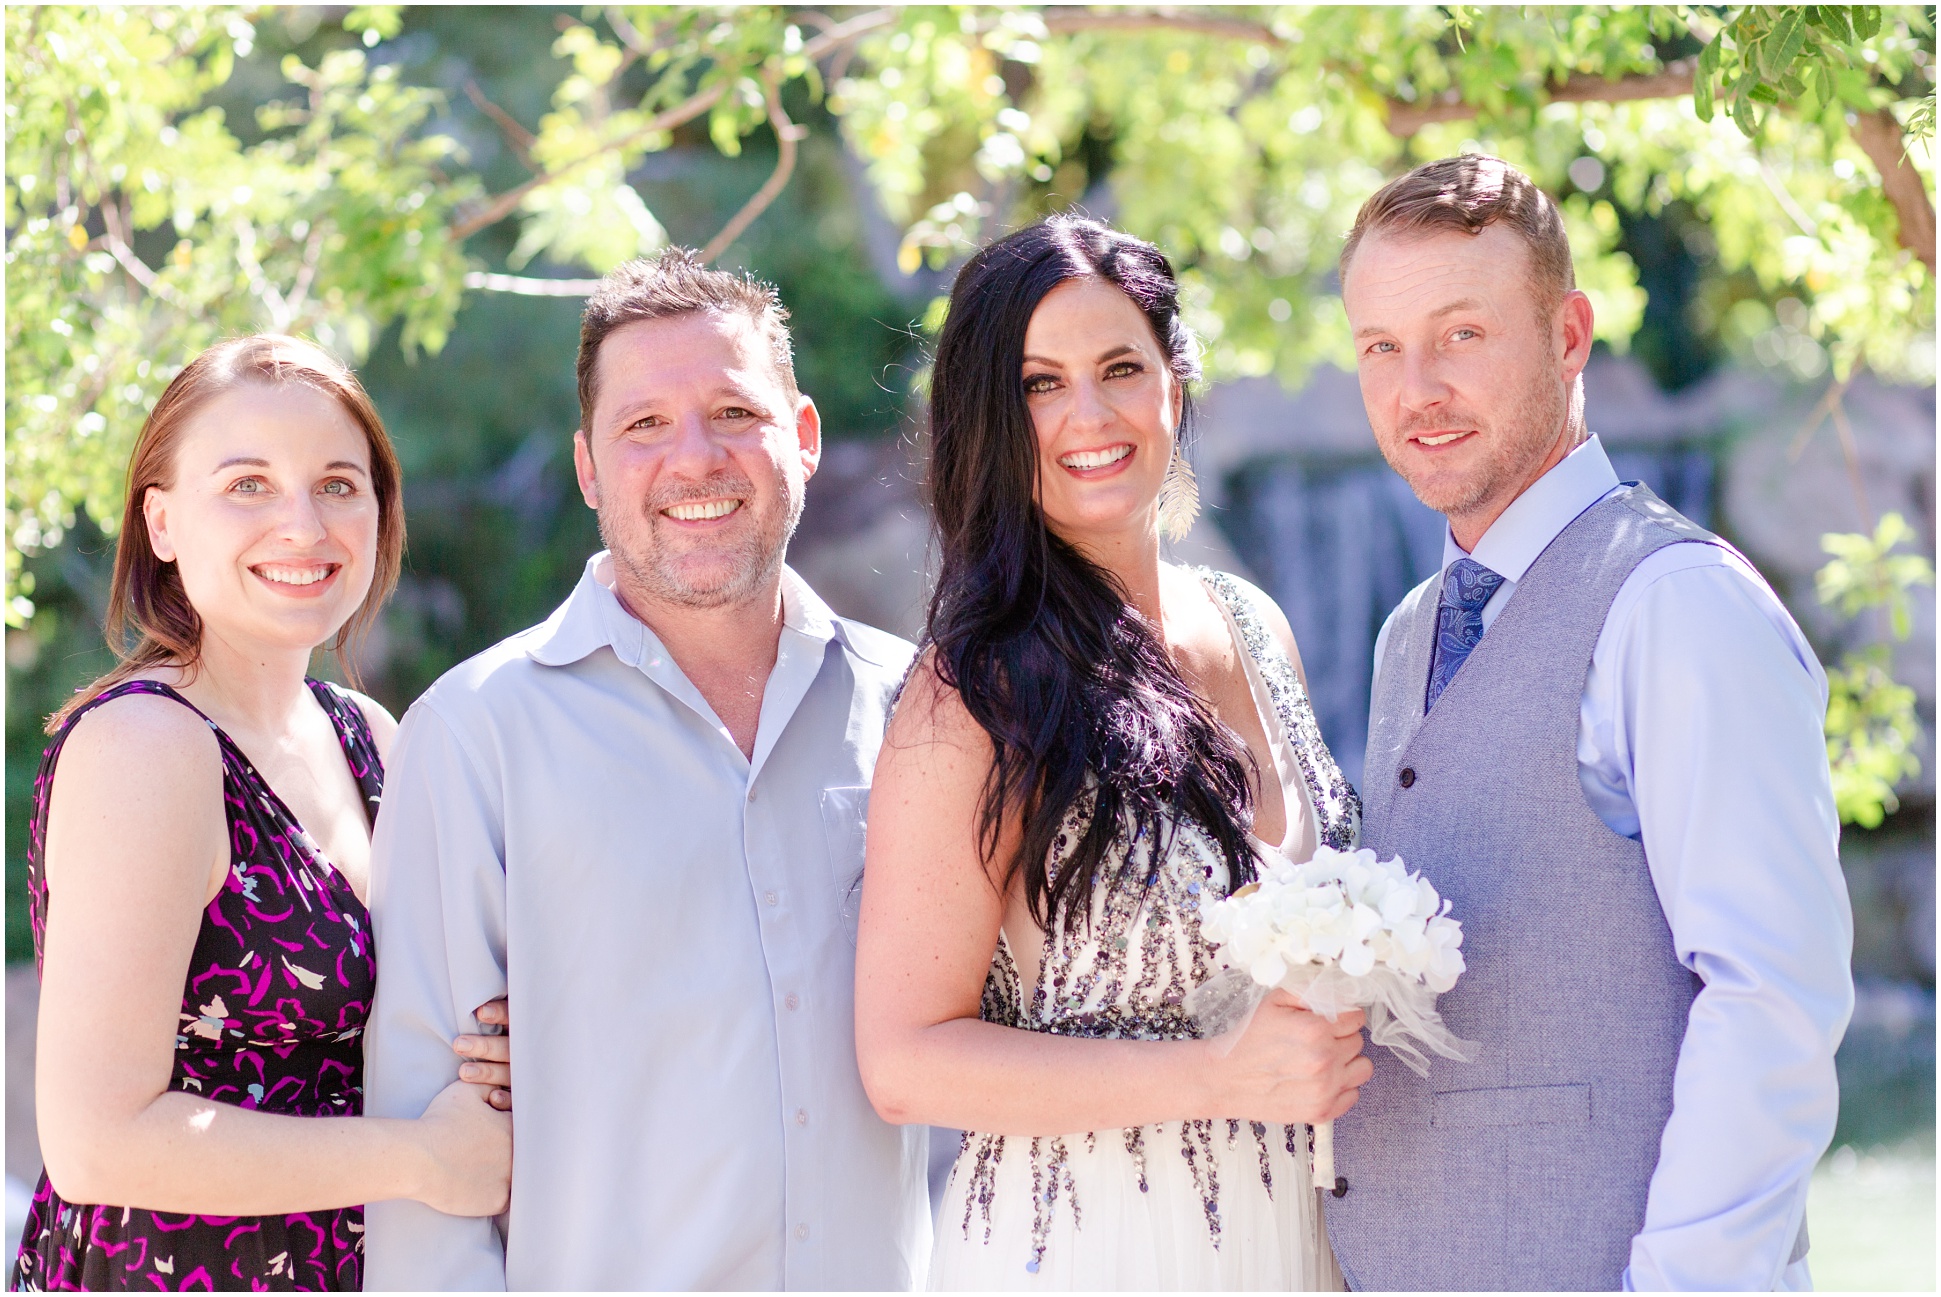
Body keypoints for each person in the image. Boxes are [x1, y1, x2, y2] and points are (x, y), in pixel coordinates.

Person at [360, 250, 932, 1290]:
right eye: (644, 426)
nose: (695, 459)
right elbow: (421, 1159)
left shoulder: (917, 712)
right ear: (588, 467)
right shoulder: (477, 736)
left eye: (732, 412)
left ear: (800, 438)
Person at [1331, 155, 1852, 1291]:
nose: (1415, 386)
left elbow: (1775, 996)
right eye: (1380, 346)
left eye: (1461, 334)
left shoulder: (1677, 603)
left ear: (1570, 335)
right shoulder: (1408, 632)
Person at [854, 215, 1370, 1291]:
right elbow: (903, 1061)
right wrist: (1218, 1075)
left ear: (1175, 385)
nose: (1088, 415)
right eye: (1040, 384)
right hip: (1090, 1243)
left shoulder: (1251, 621)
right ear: (990, 418)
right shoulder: (972, 694)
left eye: (1121, 367)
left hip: (1297, 1233)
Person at [11, 336, 513, 1293]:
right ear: (160, 521)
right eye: (247, 484)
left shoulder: (370, 734)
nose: (302, 524)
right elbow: (95, 1141)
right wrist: (420, 1158)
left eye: (337, 484)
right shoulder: (148, 750)